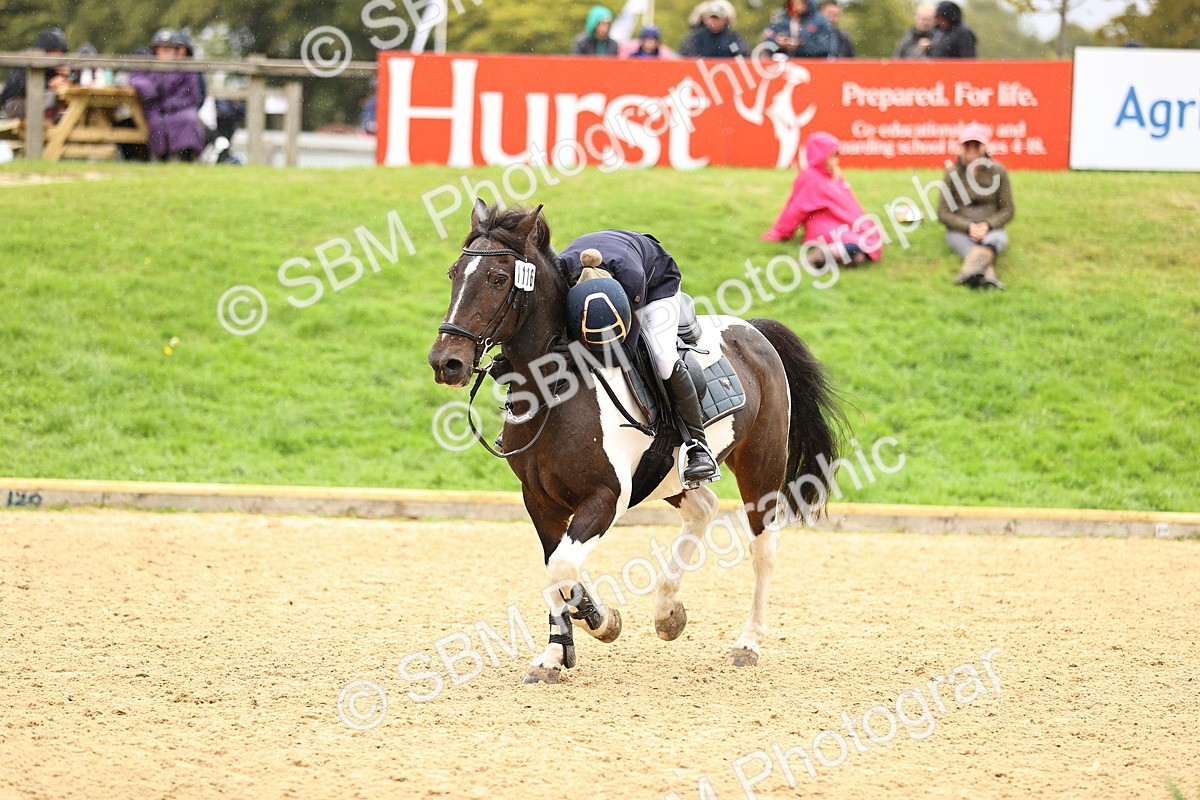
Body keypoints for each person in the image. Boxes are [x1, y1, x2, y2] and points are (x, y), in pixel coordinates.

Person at [560, 231, 720, 486]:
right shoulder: (559, 274)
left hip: (655, 283)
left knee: (663, 358)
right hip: (608, 264)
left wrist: (576, 354)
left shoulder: (632, 280)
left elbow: (624, 353)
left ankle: (698, 446)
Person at [760, 131, 882, 267]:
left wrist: (863, 223)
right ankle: (823, 255)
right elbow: (795, 208)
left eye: (837, 156)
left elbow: (851, 205)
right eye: (833, 156)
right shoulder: (810, 177)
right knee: (860, 243)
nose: (837, 160)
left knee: (863, 247)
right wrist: (780, 232)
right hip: (825, 226)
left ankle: (840, 255)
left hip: (842, 223)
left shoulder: (834, 176)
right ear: (821, 156)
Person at [937, 123, 1014, 290]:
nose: (972, 148)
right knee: (972, 249)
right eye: (967, 144)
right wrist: (968, 226)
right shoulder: (952, 174)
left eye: (976, 144)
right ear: (960, 148)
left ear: (984, 147)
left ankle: (968, 273)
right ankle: (990, 279)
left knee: (994, 241)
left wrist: (988, 225)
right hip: (959, 231)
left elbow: (1008, 210)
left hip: (992, 230)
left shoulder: (998, 172)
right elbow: (943, 213)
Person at [128, 29, 206, 162]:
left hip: (179, 109)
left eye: (168, 49)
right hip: (154, 109)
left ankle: (183, 156)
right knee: (155, 123)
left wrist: (171, 104)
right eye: (162, 49)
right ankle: (160, 156)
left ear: (176, 51)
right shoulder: (147, 66)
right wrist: (149, 90)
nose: (165, 52)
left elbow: (191, 94)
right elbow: (136, 79)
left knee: (188, 120)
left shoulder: (186, 69)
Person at [1, 28, 73, 120]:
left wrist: (69, 76)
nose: (59, 57)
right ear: (48, 50)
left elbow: (73, 78)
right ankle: (49, 124)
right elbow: (23, 86)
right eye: (57, 53)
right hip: (15, 103)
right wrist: (49, 84)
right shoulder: (28, 59)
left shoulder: (53, 65)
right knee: (51, 97)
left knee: (59, 100)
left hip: (34, 102)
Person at [761, 0, 836, 59]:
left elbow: (826, 47)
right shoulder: (781, 19)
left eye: (800, 3)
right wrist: (778, 41)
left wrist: (799, 46)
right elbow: (768, 37)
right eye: (794, 3)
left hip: (812, 65)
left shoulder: (820, 20)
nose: (798, 7)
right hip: (785, 65)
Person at [679, 1, 750, 58]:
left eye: (717, 18)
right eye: (711, 18)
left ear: (725, 20)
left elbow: (743, 58)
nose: (714, 21)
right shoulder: (694, 38)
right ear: (705, 19)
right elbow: (685, 57)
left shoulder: (733, 39)